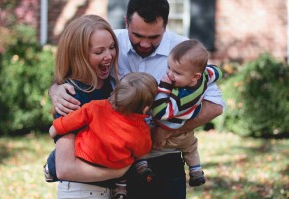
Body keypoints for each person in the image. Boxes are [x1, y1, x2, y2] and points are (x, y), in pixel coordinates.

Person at [49, 0, 225, 198]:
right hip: (121, 157)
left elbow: (215, 105)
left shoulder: (185, 51)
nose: (145, 43)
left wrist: (164, 130)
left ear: (166, 26)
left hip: (165, 158)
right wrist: (55, 89)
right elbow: (77, 70)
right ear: (126, 22)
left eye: (154, 37)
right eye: (138, 35)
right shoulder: (110, 43)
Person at [43, 14, 132, 199]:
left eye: (112, 47)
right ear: (79, 56)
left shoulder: (109, 86)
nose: (109, 56)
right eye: (99, 52)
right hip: (82, 192)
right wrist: (119, 171)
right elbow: (66, 168)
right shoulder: (72, 96)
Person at [48, 72, 158, 199]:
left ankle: (50, 168)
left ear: (115, 93)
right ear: (145, 109)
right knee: (130, 159)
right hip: (113, 166)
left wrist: (55, 128)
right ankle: (120, 187)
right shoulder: (142, 131)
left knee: (62, 148)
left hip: (85, 155)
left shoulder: (97, 106)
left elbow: (72, 120)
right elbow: (142, 150)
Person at [135, 39, 223, 188]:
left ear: (194, 76)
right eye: (169, 68)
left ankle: (142, 165)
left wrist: (163, 87)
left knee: (142, 143)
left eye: (176, 73)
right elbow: (217, 71)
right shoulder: (205, 76)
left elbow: (160, 112)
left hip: (168, 130)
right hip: (185, 132)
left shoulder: (181, 96)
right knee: (191, 147)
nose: (170, 74)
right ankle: (196, 171)